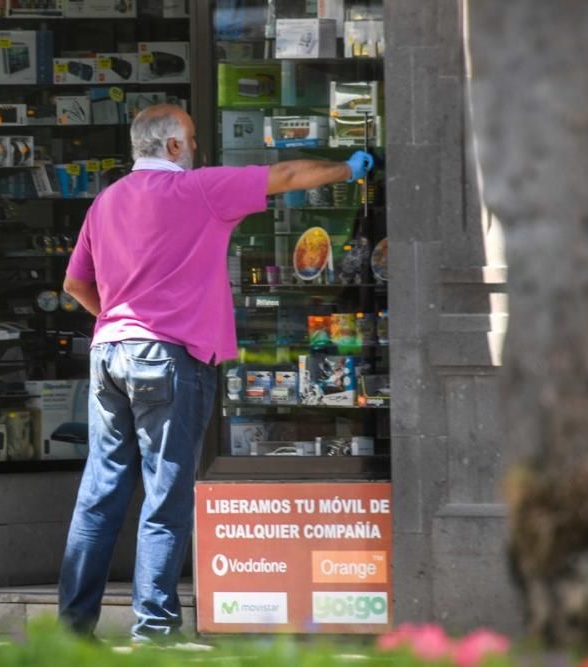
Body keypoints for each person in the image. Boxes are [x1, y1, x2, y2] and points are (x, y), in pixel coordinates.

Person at [57, 103, 374, 642]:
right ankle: (154, 631)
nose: (199, 149)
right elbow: (288, 176)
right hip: (168, 358)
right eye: (195, 140)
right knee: (166, 493)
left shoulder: (105, 202)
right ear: (174, 147)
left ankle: (71, 633)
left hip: (109, 353)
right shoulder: (198, 189)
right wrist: (351, 168)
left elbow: (75, 286)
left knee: (101, 491)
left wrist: (122, 322)